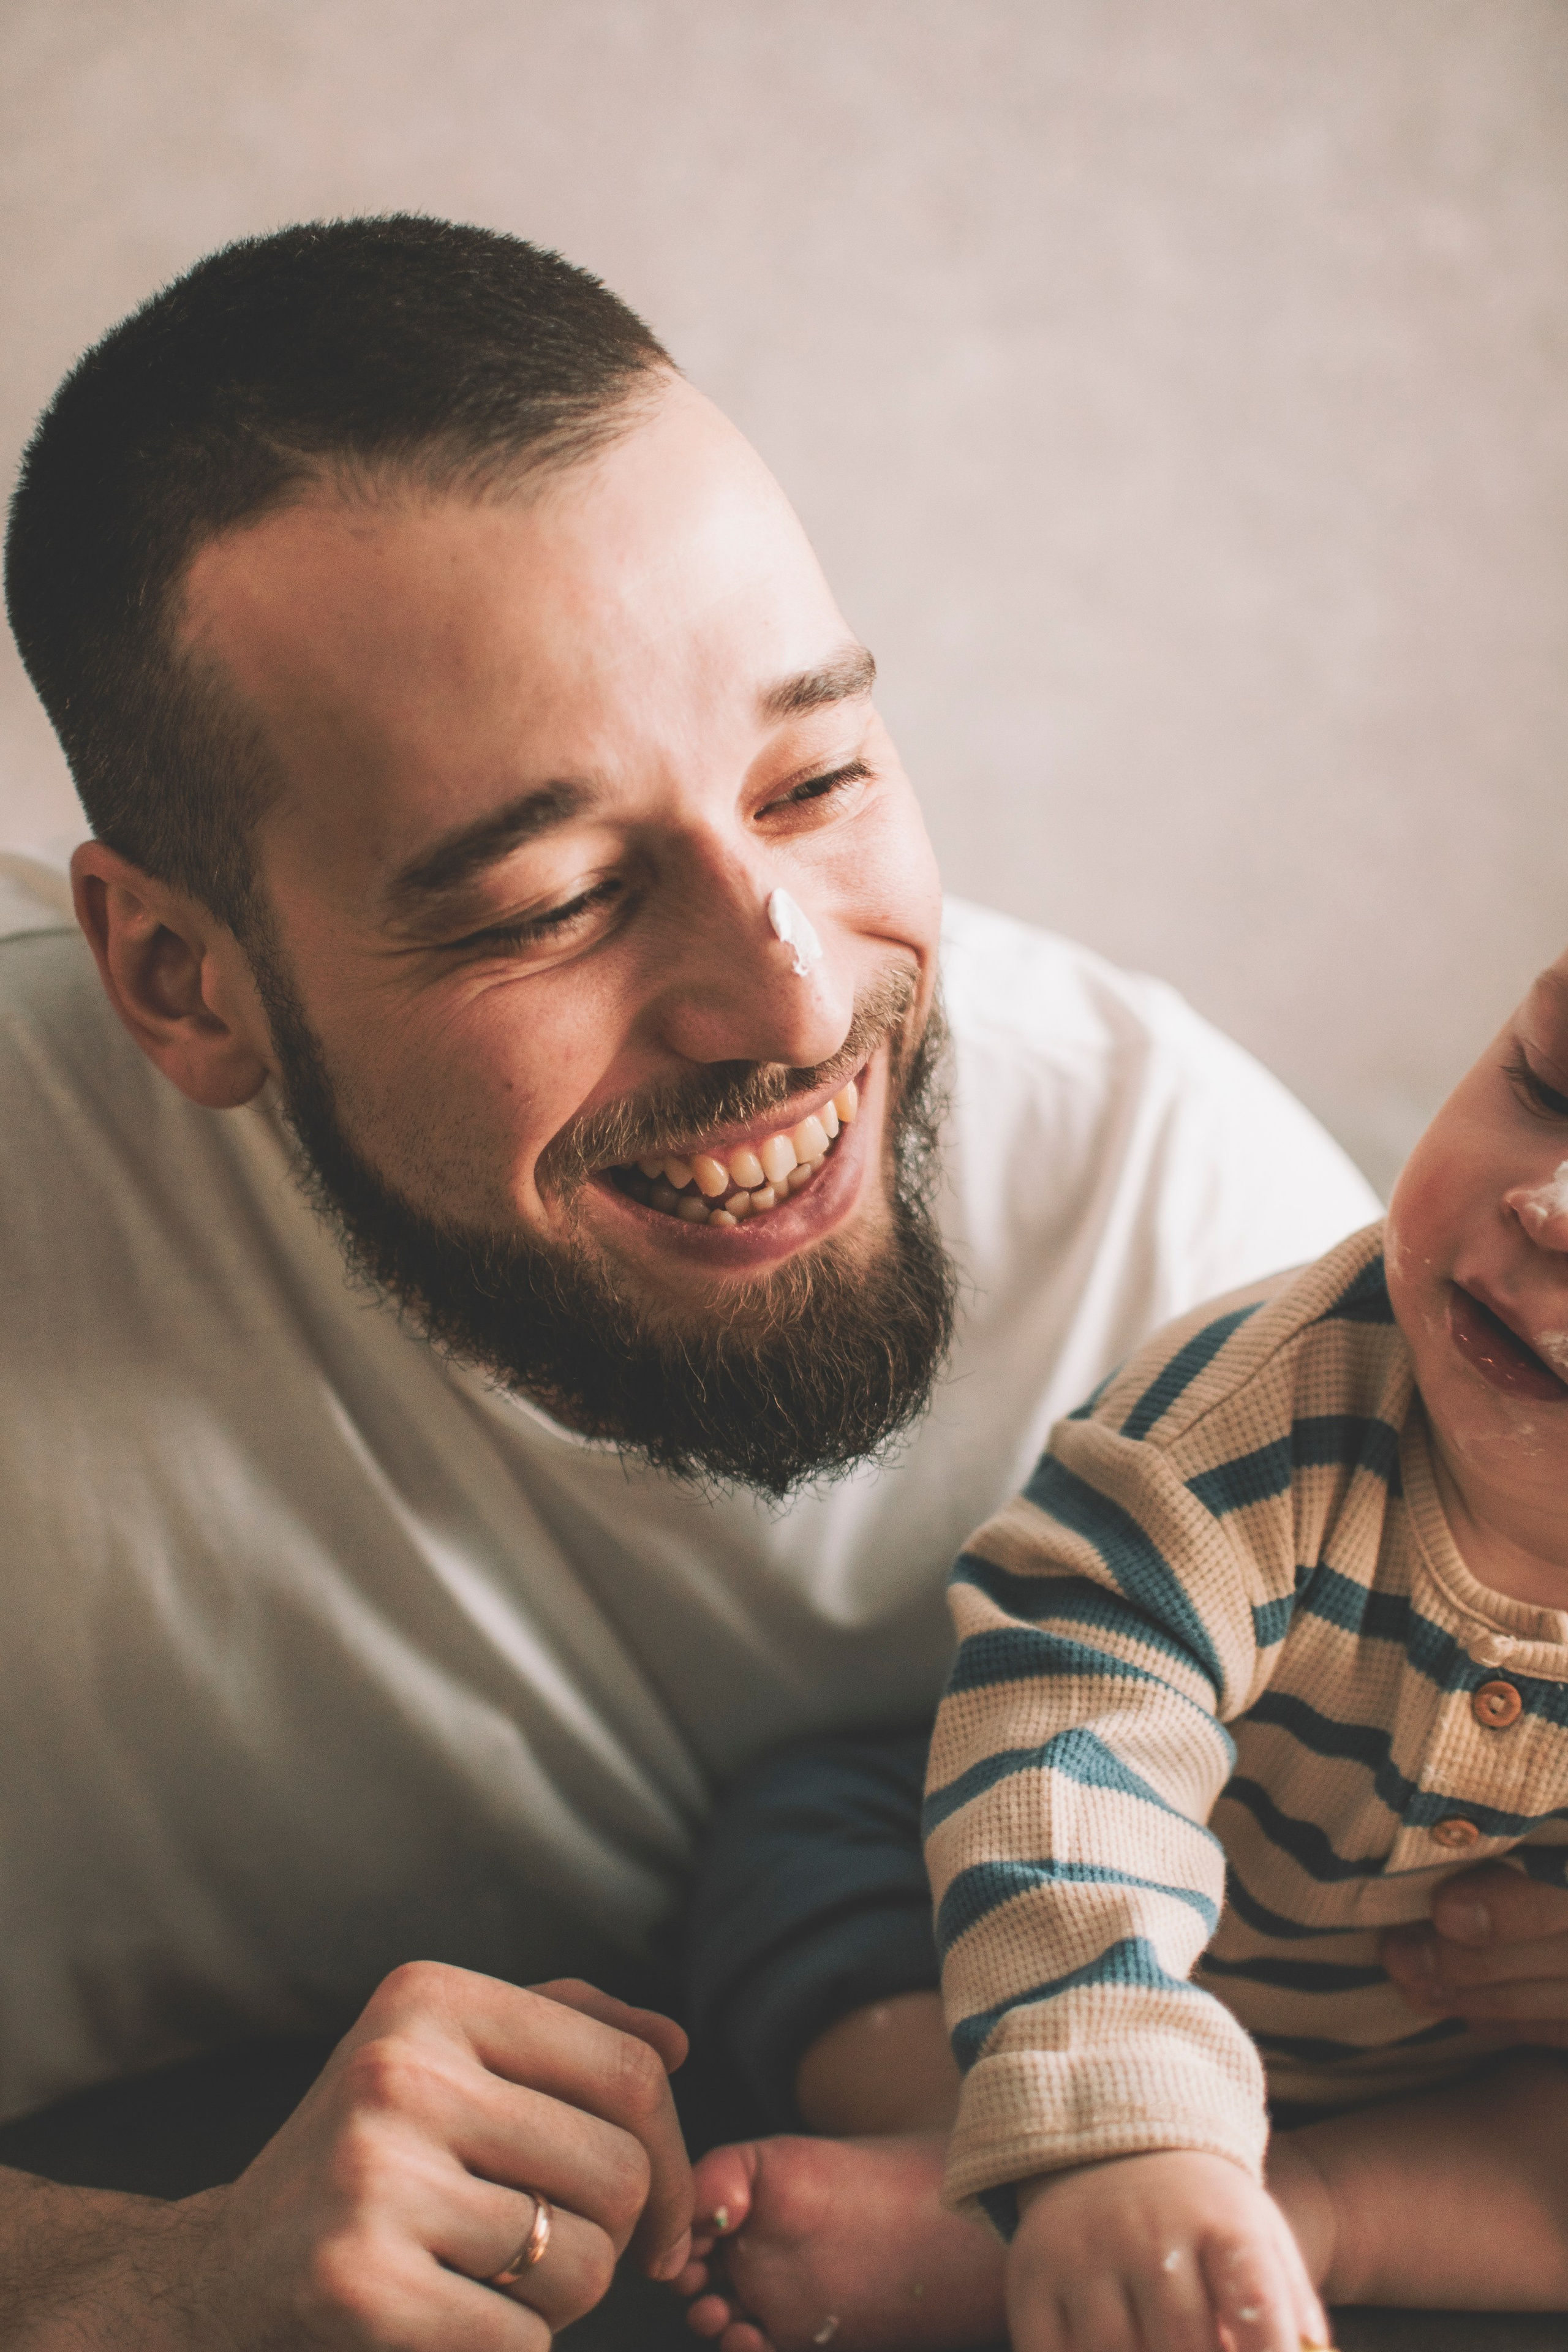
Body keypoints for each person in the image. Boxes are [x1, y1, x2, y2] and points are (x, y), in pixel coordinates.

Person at [0, 209, 1530, 2348]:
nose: (788, 997)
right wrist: (138, 2285)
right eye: (549, 899)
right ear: (180, 976)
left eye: (816, 780)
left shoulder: (1172, 1223)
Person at [679, 944, 1568, 2352]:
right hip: (1083, 1948)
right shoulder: (1254, 1419)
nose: (1548, 1204)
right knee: (813, 1829)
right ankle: (1027, 2156)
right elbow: (1072, 1735)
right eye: (1544, 1083)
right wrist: (1113, 2122)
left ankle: (1292, 2217)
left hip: (1445, 2082)